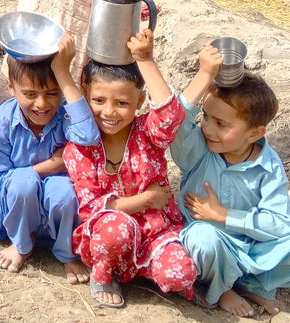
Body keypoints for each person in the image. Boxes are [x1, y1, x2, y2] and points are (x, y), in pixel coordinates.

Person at [175, 45, 290, 317]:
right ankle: (221, 289)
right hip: (211, 245)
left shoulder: (268, 164)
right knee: (201, 237)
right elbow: (175, 124)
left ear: (255, 133)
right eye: (206, 117)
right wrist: (204, 76)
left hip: (251, 249)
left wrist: (224, 215)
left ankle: (252, 285)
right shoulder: (199, 149)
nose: (207, 128)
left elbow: (282, 224)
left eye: (221, 124)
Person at [63, 29, 197, 308]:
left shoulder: (147, 133)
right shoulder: (81, 147)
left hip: (154, 233)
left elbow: (170, 117)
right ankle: (103, 275)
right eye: (99, 100)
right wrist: (147, 199)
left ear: (139, 101)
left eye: (122, 103)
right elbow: (94, 208)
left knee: (181, 275)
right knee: (116, 227)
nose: (109, 112)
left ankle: (143, 269)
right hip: (107, 237)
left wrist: (145, 60)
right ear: (85, 94)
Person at [0, 34, 99, 283]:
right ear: (11, 88)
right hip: (15, 210)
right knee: (22, 182)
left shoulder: (65, 114)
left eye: (53, 93)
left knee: (65, 189)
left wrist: (63, 71)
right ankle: (22, 243)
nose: (42, 104)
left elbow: (88, 136)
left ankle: (66, 252)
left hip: (58, 212)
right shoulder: (1, 121)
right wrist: (49, 166)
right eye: (30, 94)